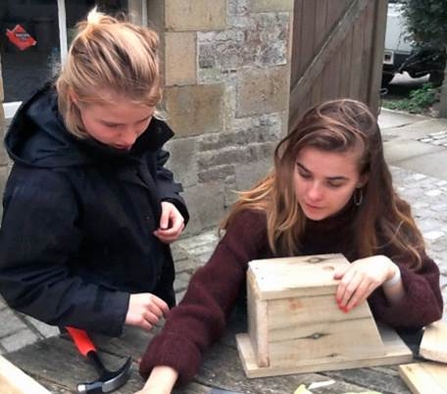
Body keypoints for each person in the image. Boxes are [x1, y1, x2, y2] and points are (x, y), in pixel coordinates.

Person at [135, 99, 443, 394]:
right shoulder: (260, 217)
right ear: (291, 161)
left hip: (360, 371)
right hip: (257, 368)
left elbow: (429, 307)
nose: (313, 194)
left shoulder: (383, 222)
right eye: (304, 173)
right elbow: (204, 300)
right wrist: (160, 382)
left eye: (335, 183)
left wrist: (390, 273)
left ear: (363, 178)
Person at [0, 8, 188, 337]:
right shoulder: (45, 179)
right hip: (96, 326)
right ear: (75, 99)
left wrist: (168, 198)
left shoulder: (126, 129)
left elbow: (152, 160)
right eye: (112, 125)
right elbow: (23, 281)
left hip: (153, 295)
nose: (129, 138)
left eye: (142, 122)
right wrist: (116, 307)